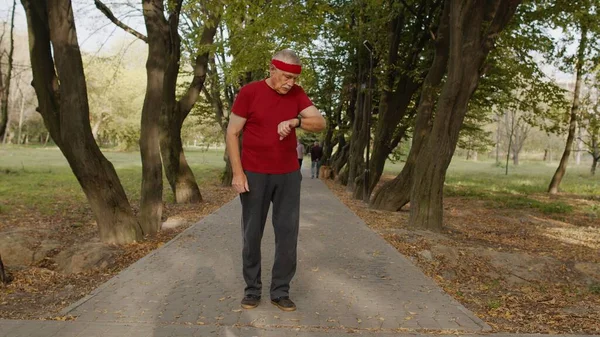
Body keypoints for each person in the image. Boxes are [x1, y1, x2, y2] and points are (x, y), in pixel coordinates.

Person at [226, 49, 326, 312]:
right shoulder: (250, 92)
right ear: (271, 69)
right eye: (285, 76)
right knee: (252, 233)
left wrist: (296, 121)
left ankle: (280, 291)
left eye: (293, 78)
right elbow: (232, 133)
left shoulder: (297, 93)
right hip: (254, 174)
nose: (289, 83)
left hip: (288, 176)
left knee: (287, 234)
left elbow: (318, 122)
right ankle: (252, 290)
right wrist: (238, 173)